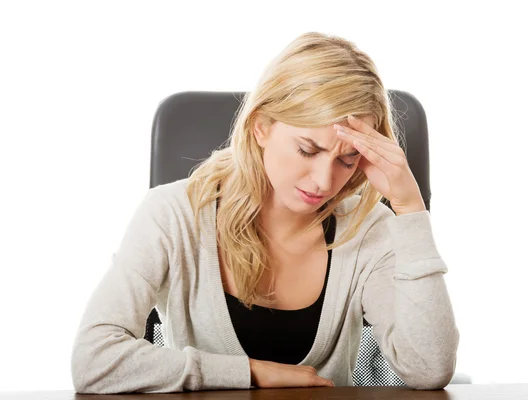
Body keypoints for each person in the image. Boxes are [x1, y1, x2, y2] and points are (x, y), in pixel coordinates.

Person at [71, 31, 460, 394]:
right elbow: (94, 359)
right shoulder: (173, 215)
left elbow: (428, 369)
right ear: (261, 128)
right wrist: (251, 373)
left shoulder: (368, 230)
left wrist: (410, 209)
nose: (324, 181)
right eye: (307, 150)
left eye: (348, 158)